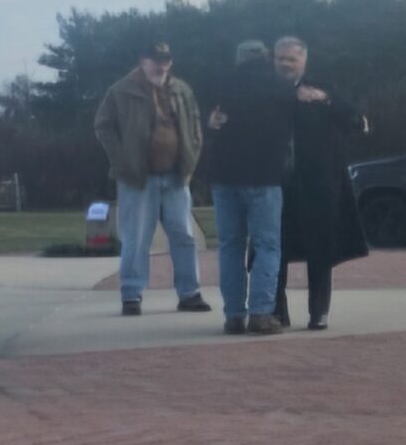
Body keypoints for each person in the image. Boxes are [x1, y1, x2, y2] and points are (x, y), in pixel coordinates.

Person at [92, 40, 208, 317]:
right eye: (155, 60)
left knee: (184, 236)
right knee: (136, 239)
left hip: (176, 177)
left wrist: (191, 158)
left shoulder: (182, 90)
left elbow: (195, 125)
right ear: (142, 61)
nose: (161, 65)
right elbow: (103, 126)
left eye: (166, 60)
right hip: (137, 179)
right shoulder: (121, 90)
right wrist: (122, 160)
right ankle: (131, 295)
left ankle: (189, 293)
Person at [272, 36, 366, 329]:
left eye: (291, 59)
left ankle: (319, 312)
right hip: (276, 183)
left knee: (321, 248)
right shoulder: (265, 89)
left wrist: (324, 100)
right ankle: (276, 312)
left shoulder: (322, 89)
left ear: (304, 60)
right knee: (273, 248)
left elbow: (357, 122)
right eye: (280, 58)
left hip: (317, 184)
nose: (285, 64)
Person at [205, 41, 295, 334]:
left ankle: (233, 315)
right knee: (267, 245)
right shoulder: (281, 87)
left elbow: (210, 121)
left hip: (224, 176)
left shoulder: (222, 84)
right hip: (264, 176)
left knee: (230, 246)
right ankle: (261, 313)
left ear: (239, 59)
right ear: (267, 57)